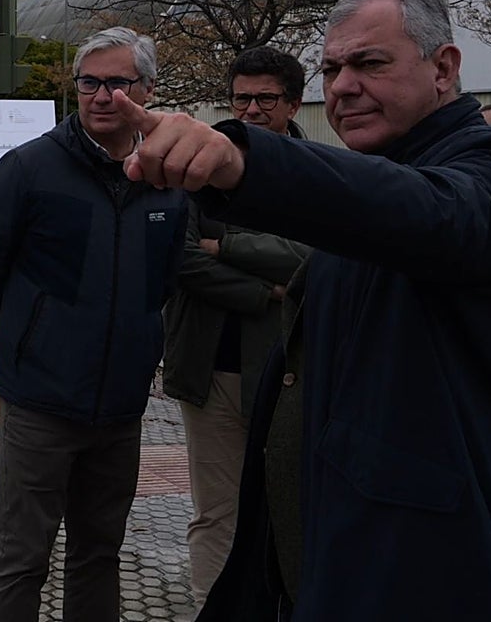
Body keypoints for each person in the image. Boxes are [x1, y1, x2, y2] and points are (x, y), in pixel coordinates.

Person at [110, 0, 491, 622]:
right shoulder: (381, 171)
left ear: (444, 68)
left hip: (428, 573)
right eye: (331, 68)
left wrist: (240, 162)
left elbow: (434, 214)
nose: (343, 86)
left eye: (369, 63)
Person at [0, 26, 188, 622]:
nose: (102, 95)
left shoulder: (165, 179)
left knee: (99, 555)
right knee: (21, 560)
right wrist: (29, 345)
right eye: (90, 82)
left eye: (118, 83)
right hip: (40, 404)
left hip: (120, 408)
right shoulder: (29, 168)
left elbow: (164, 280)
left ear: (147, 90)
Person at [162, 47, 310, 604]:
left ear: (293, 103)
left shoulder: (315, 172)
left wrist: (225, 245)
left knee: (284, 509)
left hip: (288, 370)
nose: (250, 109)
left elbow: (313, 254)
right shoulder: (194, 171)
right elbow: (179, 259)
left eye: (265, 99)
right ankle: (211, 610)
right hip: (209, 372)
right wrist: (264, 290)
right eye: (241, 97)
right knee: (217, 512)